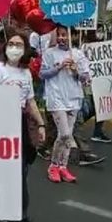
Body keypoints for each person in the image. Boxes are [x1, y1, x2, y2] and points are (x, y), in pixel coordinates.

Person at [0, 30, 45, 222]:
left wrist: (41, 124)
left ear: (26, 49)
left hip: (21, 125)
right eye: (11, 43)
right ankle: (19, 217)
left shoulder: (26, 73)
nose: (15, 48)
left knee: (22, 170)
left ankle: (8, 209)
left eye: (19, 44)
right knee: (16, 174)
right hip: (2, 127)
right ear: (5, 46)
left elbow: (30, 101)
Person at [40, 26, 90, 183]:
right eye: (59, 35)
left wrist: (76, 71)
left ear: (72, 36)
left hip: (73, 99)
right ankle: (53, 165)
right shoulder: (49, 53)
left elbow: (86, 79)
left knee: (66, 137)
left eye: (64, 35)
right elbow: (42, 74)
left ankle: (63, 166)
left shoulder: (78, 55)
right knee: (65, 134)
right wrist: (59, 67)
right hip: (56, 98)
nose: (61, 38)